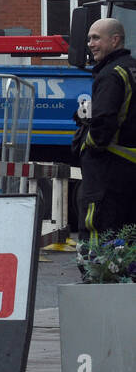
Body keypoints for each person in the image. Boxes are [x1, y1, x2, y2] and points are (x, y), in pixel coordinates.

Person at [74, 17, 136, 241]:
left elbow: (103, 123)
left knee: (96, 225)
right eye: (89, 38)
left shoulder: (111, 74)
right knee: (126, 232)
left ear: (115, 40)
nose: (90, 44)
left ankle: (95, 274)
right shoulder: (132, 68)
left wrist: (87, 146)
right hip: (129, 170)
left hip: (107, 170)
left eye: (96, 38)